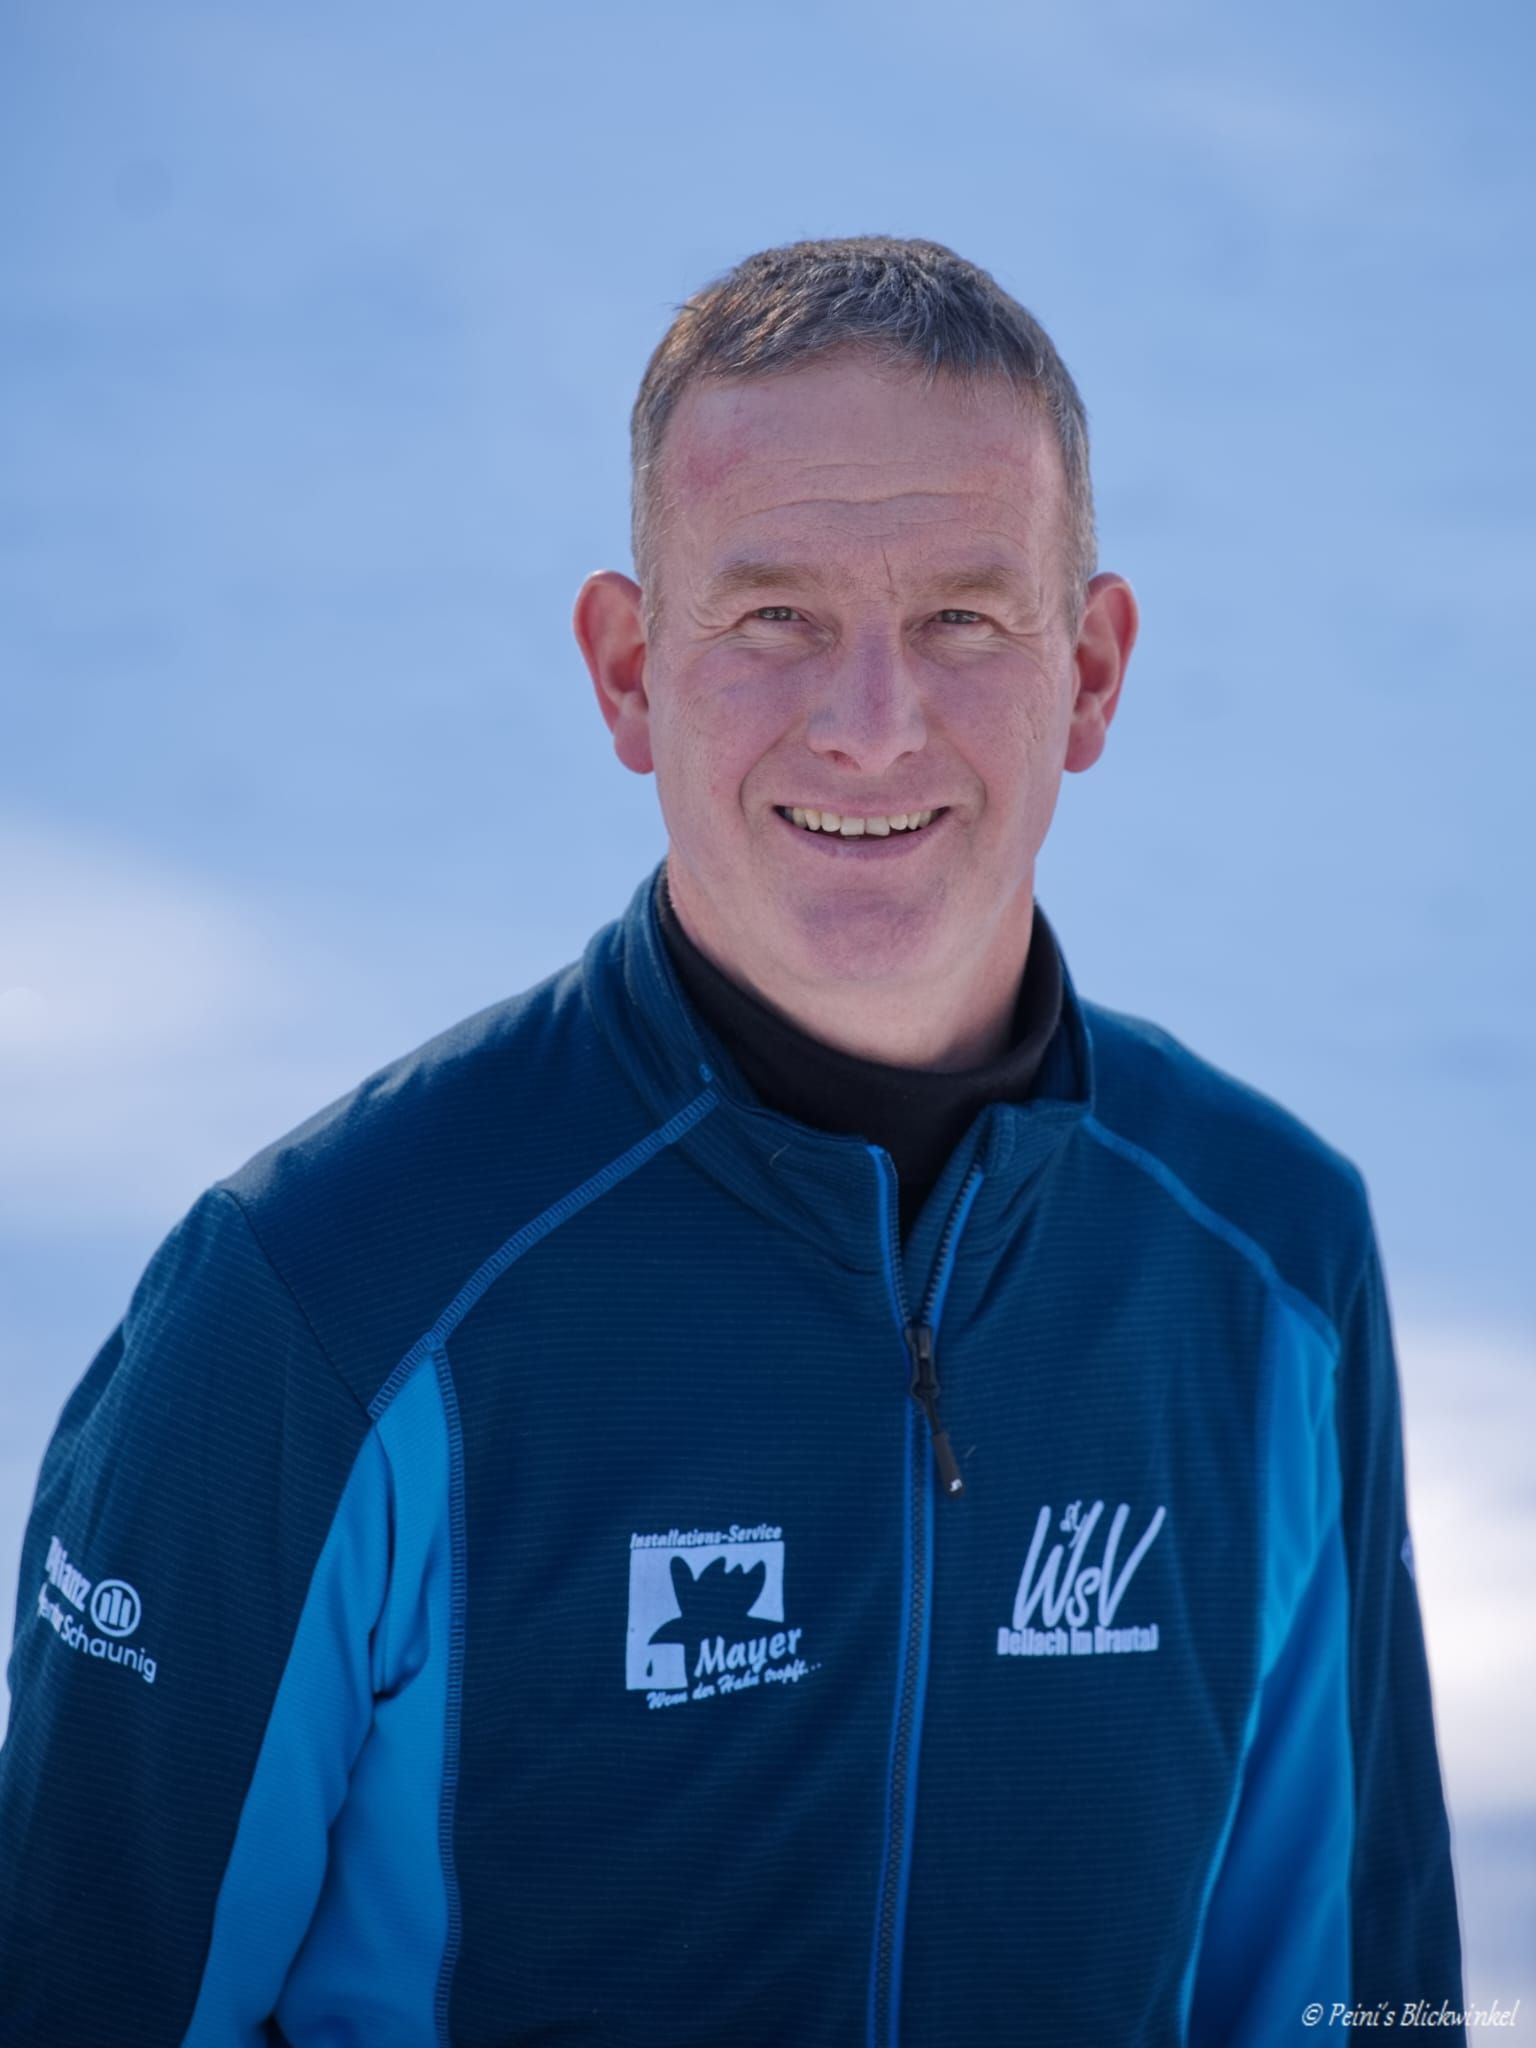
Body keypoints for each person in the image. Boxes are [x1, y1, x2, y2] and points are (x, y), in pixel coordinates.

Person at [0, 235, 1464, 2045]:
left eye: (963, 618)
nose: (872, 725)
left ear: (1089, 673)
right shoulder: (323, 1298)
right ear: (629, 671)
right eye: (775, 617)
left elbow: (1356, 2003)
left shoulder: (1272, 1266)